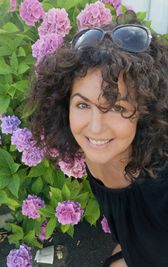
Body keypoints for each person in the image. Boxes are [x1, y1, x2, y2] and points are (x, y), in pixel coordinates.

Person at [29, 19, 168, 267]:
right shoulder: (101, 152)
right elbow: (131, 228)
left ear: (145, 111)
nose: (95, 128)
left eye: (116, 107)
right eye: (83, 105)